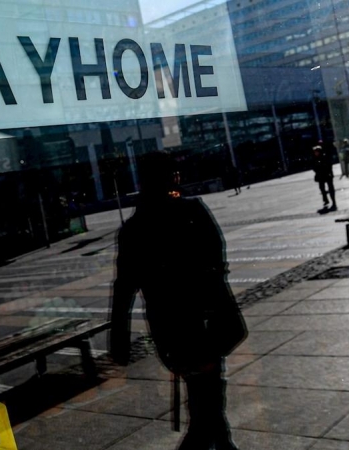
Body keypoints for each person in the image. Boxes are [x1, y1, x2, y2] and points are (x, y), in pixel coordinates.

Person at [110, 151, 246, 450]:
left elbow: (124, 288)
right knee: (206, 404)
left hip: (170, 330)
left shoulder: (132, 230)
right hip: (203, 322)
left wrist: (118, 341)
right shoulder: (191, 212)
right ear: (172, 177)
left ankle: (224, 445)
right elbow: (216, 259)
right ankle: (221, 445)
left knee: (206, 398)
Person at [312, 145, 337, 211]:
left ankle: (333, 202)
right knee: (322, 188)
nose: (315, 153)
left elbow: (329, 165)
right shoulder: (315, 158)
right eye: (315, 152)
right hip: (321, 176)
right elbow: (314, 167)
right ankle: (325, 200)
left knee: (330, 188)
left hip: (327, 175)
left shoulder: (325, 157)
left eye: (316, 152)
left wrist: (329, 172)